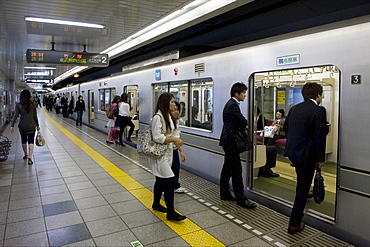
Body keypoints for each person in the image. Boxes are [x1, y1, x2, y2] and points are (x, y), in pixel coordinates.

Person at [284, 82, 329, 234]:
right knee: (303, 187)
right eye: (321, 94)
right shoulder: (319, 110)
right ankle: (294, 224)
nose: (321, 97)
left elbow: (285, 128)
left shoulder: (294, 108)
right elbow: (319, 137)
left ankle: (304, 190)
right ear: (317, 95)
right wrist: (321, 158)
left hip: (292, 153)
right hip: (307, 155)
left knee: (302, 180)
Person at [219, 82, 257, 209]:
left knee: (227, 168)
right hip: (231, 142)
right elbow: (243, 121)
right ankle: (241, 198)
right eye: (243, 93)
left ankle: (224, 192)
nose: (245, 95)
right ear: (237, 94)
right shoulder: (233, 106)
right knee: (236, 170)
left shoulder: (231, 104)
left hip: (227, 141)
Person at [150, 92, 186, 221]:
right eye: (171, 102)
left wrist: (178, 145)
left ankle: (156, 204)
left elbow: (173, 134)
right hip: (160, 155)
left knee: (160, 180)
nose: (174, 103)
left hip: (167, 153)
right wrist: (173, 140)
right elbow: (157, 137)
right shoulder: (157, 118)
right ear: (165, 103)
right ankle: (171, 212)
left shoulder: (168, 117)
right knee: (170, 181)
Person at [10, 89, 40, 165]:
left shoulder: (18, 105)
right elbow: (35, 116)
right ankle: (30, 156)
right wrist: (38, 125)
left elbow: (15, 116)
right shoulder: (32, 104)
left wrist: (12, 125)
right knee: (31, 141)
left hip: (22, 126)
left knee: (24, 140)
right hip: (31, 125)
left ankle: (26, 154)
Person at [170, 101, 187, 193]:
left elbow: (176, 138)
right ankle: (166, 188)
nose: (176, 112)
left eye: (178, 110)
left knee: (176, 167)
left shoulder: (177, 121)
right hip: (166, 150)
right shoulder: (167, 121)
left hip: (174, 149)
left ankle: (175, 185)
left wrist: (181, 151)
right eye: (174, 110)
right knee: (167, 170)